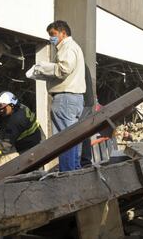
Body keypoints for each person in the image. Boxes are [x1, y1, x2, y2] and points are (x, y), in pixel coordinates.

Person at [30, 20, 86, 172]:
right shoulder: (74, 47)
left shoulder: (67, 47)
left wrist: (45, 68)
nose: (51, 38)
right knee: (73, 138)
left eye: (53, 34)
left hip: (65, 99)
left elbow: (64, 69)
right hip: (74, 98)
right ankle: (73, 171)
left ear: (63, 33)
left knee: (64, 139)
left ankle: (67, 173)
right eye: (49, 35)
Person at [0, 91, 41, 164]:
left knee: (28, 166)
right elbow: (3, 117)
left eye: (2, 107)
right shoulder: (19, 107)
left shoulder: (16, 120)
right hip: (36, 137)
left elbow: (6, 144)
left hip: (30, 146)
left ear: (11, 105)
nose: (0, 110)